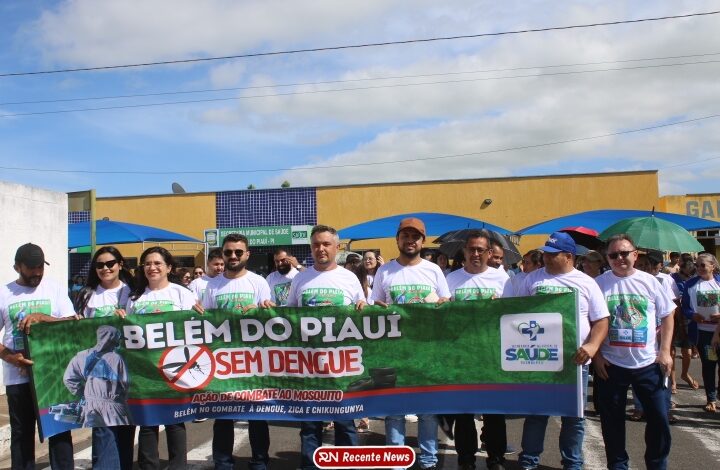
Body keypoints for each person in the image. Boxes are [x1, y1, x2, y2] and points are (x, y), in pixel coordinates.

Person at [516, 232, 610, 470]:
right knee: (536, 415)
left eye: (553, 254)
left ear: (569, 256)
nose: (546, 258)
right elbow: (515, 314)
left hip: (574, 363)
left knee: (574, 417)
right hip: (538, 361)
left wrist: (592, 346)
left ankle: (572, 463)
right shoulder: (532, 279)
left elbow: (601, 320)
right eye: (546, 254)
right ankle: (528, 461)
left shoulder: (586, 282)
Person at [370, 217, 450, 470]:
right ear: (398, 239)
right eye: (405, 235)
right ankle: (396, 460)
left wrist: (443, 303)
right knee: (395, 410)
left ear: (423, 241)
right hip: (394, 351)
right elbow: (374, 306)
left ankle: (428, 460)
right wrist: (377, 308)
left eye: (416, 236)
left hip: (427, 351)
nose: (410, 240)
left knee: (427, 411)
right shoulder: (384, 271)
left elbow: (447, 303)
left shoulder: (433, 270)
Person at [284, 225, 366, 470]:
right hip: (309, 367)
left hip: (342, 366)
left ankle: (347, 465)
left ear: (337, 247)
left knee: (345, 423)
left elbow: (364, 313)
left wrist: (364, 307)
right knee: (310, 426)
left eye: (326, 244)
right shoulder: (300, 278)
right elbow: (288, 316)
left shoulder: (349, 278)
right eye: (316, 244)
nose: (320, 248)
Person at [593, 234, 674, 470]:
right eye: (613, 255)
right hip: (611, 365)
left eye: (624, 253)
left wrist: (665, 351)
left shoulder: (650, 282)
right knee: (612, 422)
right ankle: (618, 465)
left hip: (648, 364)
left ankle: (657, 465)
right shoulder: (598, 284)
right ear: (607, 258)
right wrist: (597, 356)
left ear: (635, 255)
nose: (619, 258)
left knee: (659, 419)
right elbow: (589, 322)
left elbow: (668, 315)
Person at [199, 233, 272, 470]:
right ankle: (222, 463)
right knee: (223, 416)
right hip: (222, 361)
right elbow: (205, 323)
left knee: (257, 416)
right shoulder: (213, 285)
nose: (233, 256)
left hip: (253, 361)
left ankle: (260, 461)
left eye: (238, 252)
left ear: (247, 254)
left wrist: (262, 310)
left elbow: (270, 318)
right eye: (228, 252)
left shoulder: (259, 282)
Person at [0, 243, 76, 469]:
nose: (37, 272)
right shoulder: (4, 294)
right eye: (31, 268)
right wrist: (11, 357)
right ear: (17, 267)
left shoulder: (54, 289)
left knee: (60, 431)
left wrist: (44, 317)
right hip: (18, 377)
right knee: (22, 435)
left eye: (40, 267)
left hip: (54, 375)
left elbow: (72, 324)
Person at [445, 230, 513, 470]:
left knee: (494, 411)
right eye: (471, 249)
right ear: (464, 252)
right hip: (460, 355)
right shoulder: (451, 279)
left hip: (492, 355)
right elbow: (441, 315)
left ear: (489, 253)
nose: (475, 254)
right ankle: (466, 459)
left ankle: (496, 458)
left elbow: (513, 316)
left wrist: (500, 308)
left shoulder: (503, 280)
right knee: (463, 412)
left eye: (480, 250)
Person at [125, 247, 196, 470]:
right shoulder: (135, 298)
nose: (152, 267)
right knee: (147, 422)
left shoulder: (182, 293)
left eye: (157, 263)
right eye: (147, 263)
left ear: (168, 268)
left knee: (175, 421)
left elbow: (194, 327)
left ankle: (178, 466)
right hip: (144, 370)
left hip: (174, 367)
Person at [73, 246, 135, 469]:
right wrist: (77, 322)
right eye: (100, 265)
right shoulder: (87, 294)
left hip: (128, 369)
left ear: (120, 265)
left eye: (110, 264)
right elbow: (78, 333)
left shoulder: (132, 292)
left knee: (126, 426)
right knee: (102, 427)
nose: (105, 268)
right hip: (98, 374)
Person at [63, 326, 132, 468]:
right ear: (113, 339)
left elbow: (68, 379)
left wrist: (84, 393)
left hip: (91, 405)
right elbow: (124, 383)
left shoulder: (81, 356)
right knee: (112, 439)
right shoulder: (116, 358)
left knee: (101, 437)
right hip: (113, 404)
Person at [682, 253, 720, 412]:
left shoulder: (718, 282)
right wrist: (692, 315)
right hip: (703, 333)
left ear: (713, 266)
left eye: (703, 265)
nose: (699, 268)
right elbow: (684, 307)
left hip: (719, 330)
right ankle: (711, 399)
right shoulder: (690, 284)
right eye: (697, 265)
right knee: (709, 366)